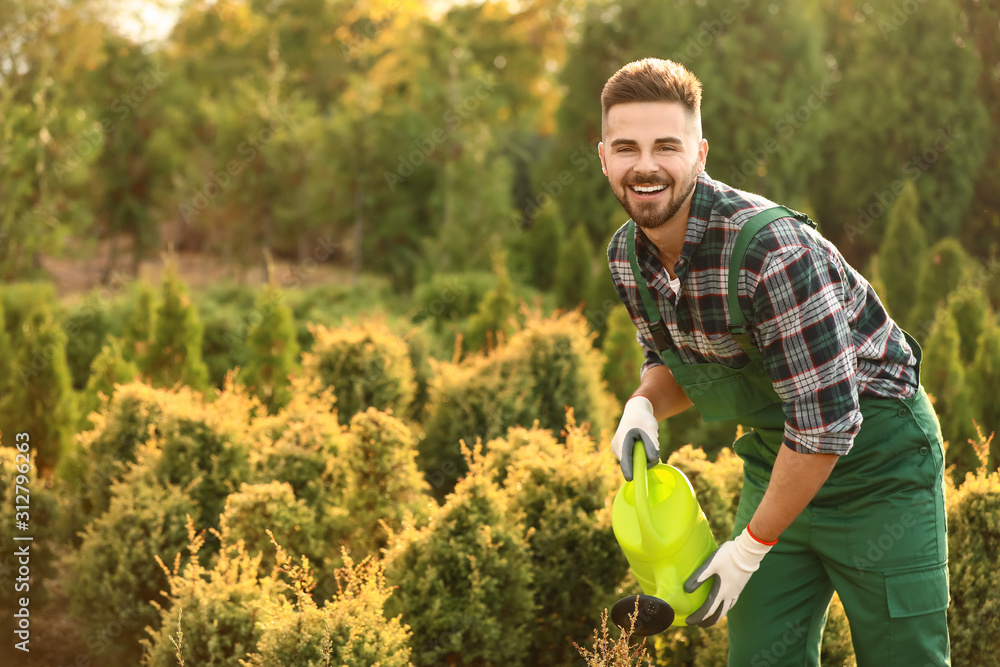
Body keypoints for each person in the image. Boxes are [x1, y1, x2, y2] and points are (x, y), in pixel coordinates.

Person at [600, 58, 950, 666]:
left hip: (879, 471)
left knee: (904, 657)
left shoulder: (770, 252)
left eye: (667, 146)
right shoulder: (628, 257)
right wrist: (643, 403)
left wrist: (749, 548)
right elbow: (673, 359)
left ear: (700, 153)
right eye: (627, 147)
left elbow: (825, 425)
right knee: (762, 657)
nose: (646, 166)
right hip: (777, 467)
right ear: (602, 155)